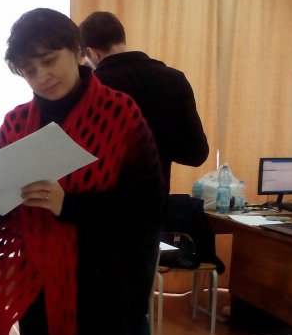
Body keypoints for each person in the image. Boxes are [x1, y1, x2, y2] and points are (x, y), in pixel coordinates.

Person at [0, 8, 164, 335]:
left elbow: (147, 207)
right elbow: (3, 206)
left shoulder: (120, 113)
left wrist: (69, 205)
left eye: (49, 61)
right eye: (29, 70)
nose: (42, 77)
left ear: (78, 51)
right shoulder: (16, 122)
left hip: (106, 281)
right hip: (37, 283)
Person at [79, 11, 209, 200]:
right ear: (122, 38)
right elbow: (197, 154)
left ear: (92, 52)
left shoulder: (90, 87)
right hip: (154, 203)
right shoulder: (173, 79)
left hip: (100, 204)